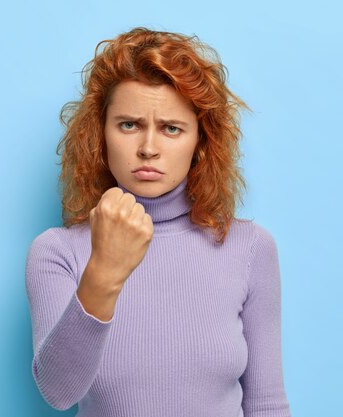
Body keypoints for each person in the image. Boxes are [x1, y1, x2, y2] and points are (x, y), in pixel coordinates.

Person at [25, 27, 292, 417]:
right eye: (129, 124)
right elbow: (59, 392)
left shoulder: (250, 248)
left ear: (200, 142)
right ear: (101, 134)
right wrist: (105, 271)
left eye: (171, 128)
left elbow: (267, 403)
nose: (149, 148)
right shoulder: (57, 252)